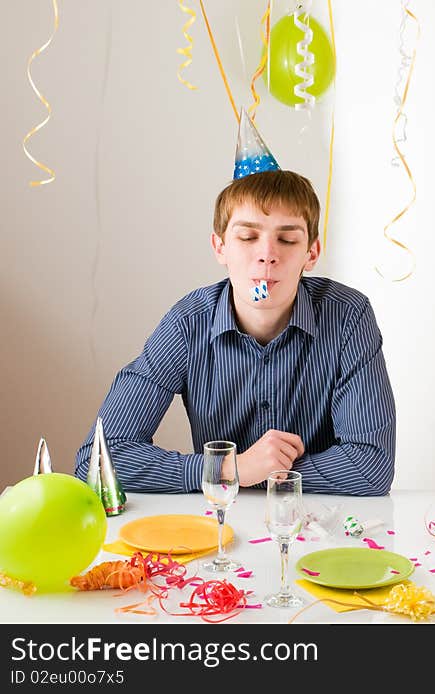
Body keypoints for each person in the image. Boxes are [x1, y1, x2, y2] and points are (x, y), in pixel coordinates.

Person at [75, 109, 395, 495]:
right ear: (220, 247)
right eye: (247, 237)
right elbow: (99, 461)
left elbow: (372, 466)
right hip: (218, 529)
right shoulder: (187, 324)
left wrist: (273, 473)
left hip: (319, 528)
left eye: (287, 239)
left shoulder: (348, 317)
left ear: (311, 253)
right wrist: (232, 468)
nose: (267, 255)